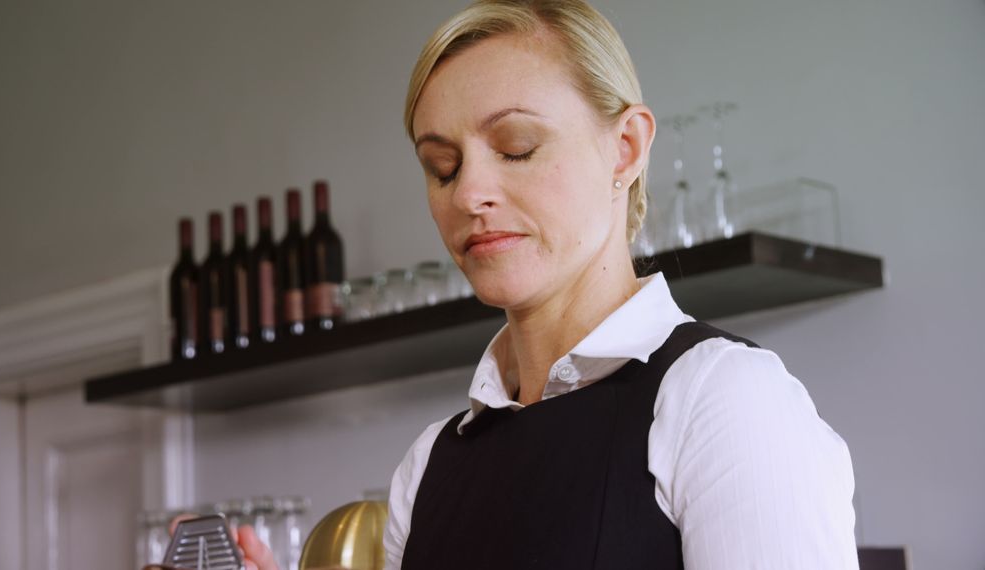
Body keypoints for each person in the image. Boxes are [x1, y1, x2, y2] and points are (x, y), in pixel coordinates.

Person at [232, 1, 858, 569]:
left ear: (625, 148)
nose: (470, 193)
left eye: (516, 148)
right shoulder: (427, 468)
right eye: (442, 168)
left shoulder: (721, 400)